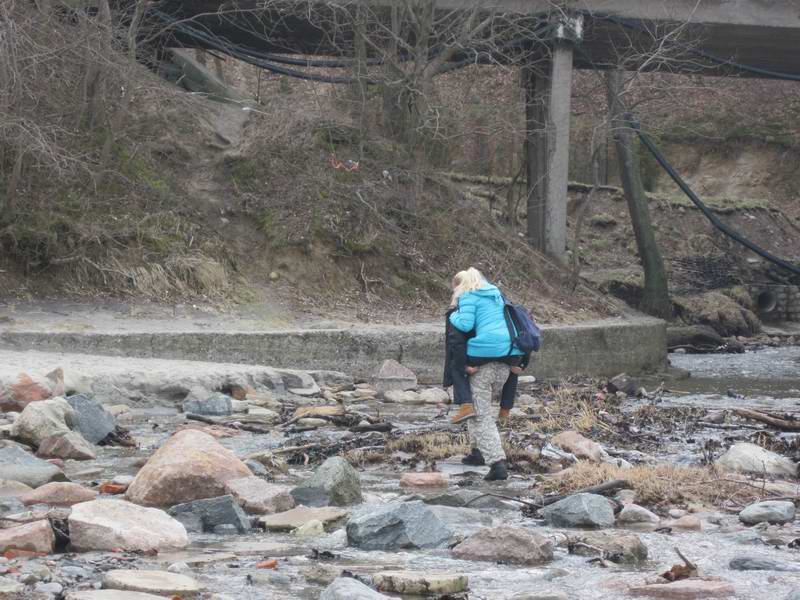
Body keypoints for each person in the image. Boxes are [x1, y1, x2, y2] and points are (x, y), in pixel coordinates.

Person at [446, 267, 527, 481]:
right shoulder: (497, 297)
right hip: (505, 363)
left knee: (480, 416)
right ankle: (477, 453)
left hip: (482, 364)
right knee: (477, 410)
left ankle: (497, 463)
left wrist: (454, 313)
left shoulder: (468, 298)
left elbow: (463, 326)